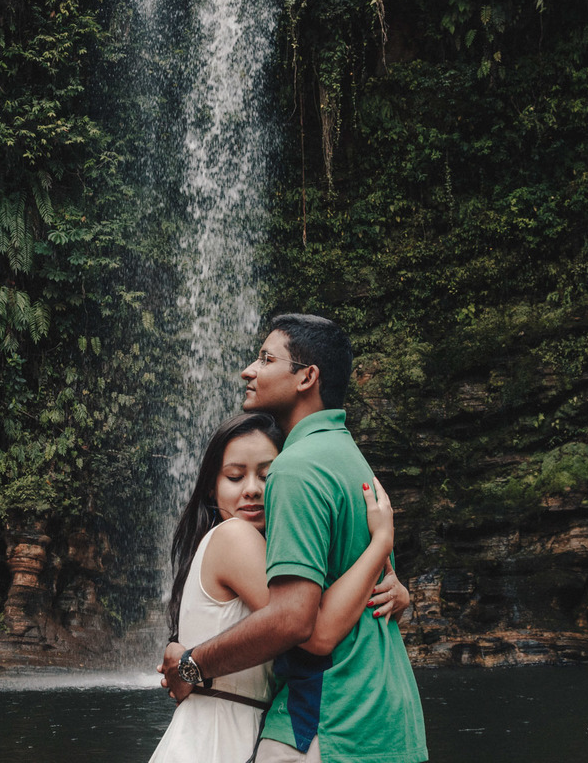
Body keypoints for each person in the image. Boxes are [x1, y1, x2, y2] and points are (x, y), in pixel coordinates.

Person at [162, 313, 428, 762]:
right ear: (212, 485)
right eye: (234, 476)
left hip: (329, 720)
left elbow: (301, 624)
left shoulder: (297, 467)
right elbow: (360, 605)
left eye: (266, 359)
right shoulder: (351, 461)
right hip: (387, 718)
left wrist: (191, 664)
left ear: (307, 377)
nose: (248, 370)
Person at [148, 411, 407, 763]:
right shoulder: (235, 536)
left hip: (232, 733)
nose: (252, 489)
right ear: (212, 487)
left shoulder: (276, 560)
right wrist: (380, 544)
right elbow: (314, 627)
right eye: (235, 476)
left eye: (267, 476)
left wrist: (398, 595)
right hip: (217, 741)